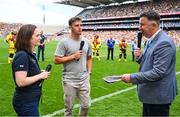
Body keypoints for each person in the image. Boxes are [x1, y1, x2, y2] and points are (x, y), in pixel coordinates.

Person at [121, 11, 178, 116]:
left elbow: (158, 72)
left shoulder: (164, 43)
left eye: (142, 24)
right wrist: (139, 57)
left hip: (158, 97)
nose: (139, 27)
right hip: (151, 95)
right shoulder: (149, 40)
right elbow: (148, 61)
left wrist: (132, 77)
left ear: (153, 25)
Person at [54, 17, 92, 117]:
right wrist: (72, 56)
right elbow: (56, 60)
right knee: (69, 108)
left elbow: (89, 57)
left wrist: (89, 72)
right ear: (70, 27)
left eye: (81, 25)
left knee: (86, 105)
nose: (80, 28)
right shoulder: (64, 42)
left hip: (84, 78)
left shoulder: (87, 42)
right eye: (76, 25)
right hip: (69, 79)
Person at [12, 24, 50, 116]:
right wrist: (40, 76)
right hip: (25, 101)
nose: (40, 38)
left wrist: (39, 73)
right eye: (37, 36)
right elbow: (21, 81)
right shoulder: (22, 55)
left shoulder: (29, 53)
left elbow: (28, 73)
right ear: (27, 38)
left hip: (30, 99)